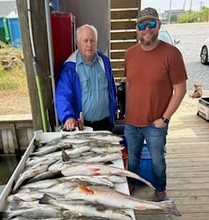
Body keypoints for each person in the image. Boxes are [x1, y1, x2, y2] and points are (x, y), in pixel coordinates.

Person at [124, 7, 187, 200]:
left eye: (151, 24)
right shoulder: (130, 54)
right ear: (136, 29)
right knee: (132, 158)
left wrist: (164, 118)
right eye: (142, 25)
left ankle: (160, 190)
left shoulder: (172, 54)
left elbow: (181, 89)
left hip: (156, 123)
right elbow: (129, 83)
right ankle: (131, 185)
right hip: (131, 122)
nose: (147, 29)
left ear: (158, 25)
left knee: (158, 160)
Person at [55, 24, 117, 131]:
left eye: (92, 40)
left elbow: (112, 88)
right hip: (84, 127)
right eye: (85, 40)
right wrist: (68, 117)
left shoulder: (104, 61)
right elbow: (63, 95)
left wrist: (114, 110)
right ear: (77, 43)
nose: (89, 44)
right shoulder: (70, 67)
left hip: (106, 124)